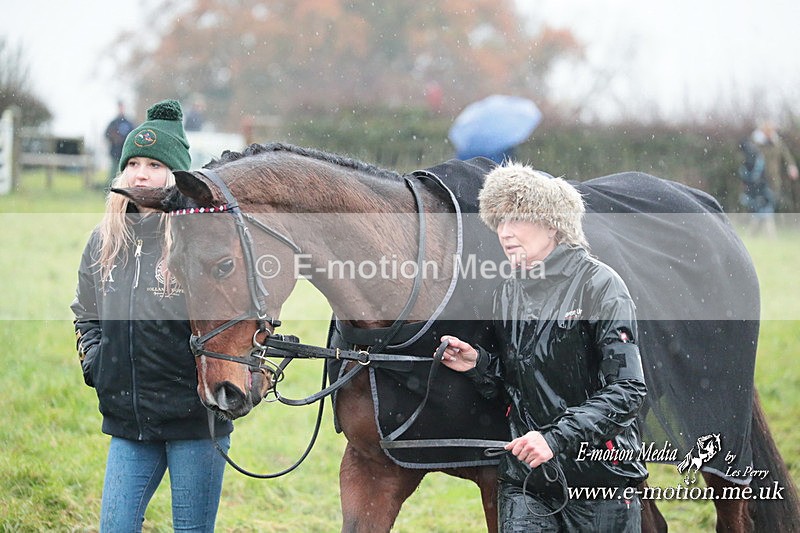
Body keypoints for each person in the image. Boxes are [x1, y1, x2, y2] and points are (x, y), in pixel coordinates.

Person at [439, 163, 648, 531]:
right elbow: (521, 385)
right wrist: (480, 365)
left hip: (601, 484)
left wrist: (555, 439)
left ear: (552, 225)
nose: (504, 233)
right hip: (526, 484)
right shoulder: (507, 291)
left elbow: (628, 391)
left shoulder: (601, 287)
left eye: (516, 219)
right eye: (500, 222)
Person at [72, 99, 232, 532]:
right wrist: (95, 360)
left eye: (155, 166)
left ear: (176, 176)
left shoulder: (200, 239)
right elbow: (86, 309)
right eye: (134, 163)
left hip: (194, 423)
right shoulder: (104, 241)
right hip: (129, 421)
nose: (141, 174)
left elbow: (235, 312)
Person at [750, 121, 799, 212]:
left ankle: (769, 220)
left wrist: (791, 166)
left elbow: (786, 155)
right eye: (767, 131)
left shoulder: (777, 143)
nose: (769, 133)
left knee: (773, 199)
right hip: (758, 177)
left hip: (773, 177)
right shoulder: (755, 143)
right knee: (759, 200)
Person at [738, 136, 777, 238]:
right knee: (762, 213)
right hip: (758, 190)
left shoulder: (754, 157)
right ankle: (768, 238)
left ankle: (768, 238)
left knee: (763, 213)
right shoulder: (755, 156)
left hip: (759, 190)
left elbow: (753, 177)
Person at [104, 100, 135, 185]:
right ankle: (110, 191)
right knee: (113, 174)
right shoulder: (113, 123)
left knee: (124, 174)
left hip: (125, 153)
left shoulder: (129, 123)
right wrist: (114, 138)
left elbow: (134, 135)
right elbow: (106, 135)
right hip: (115, 153)